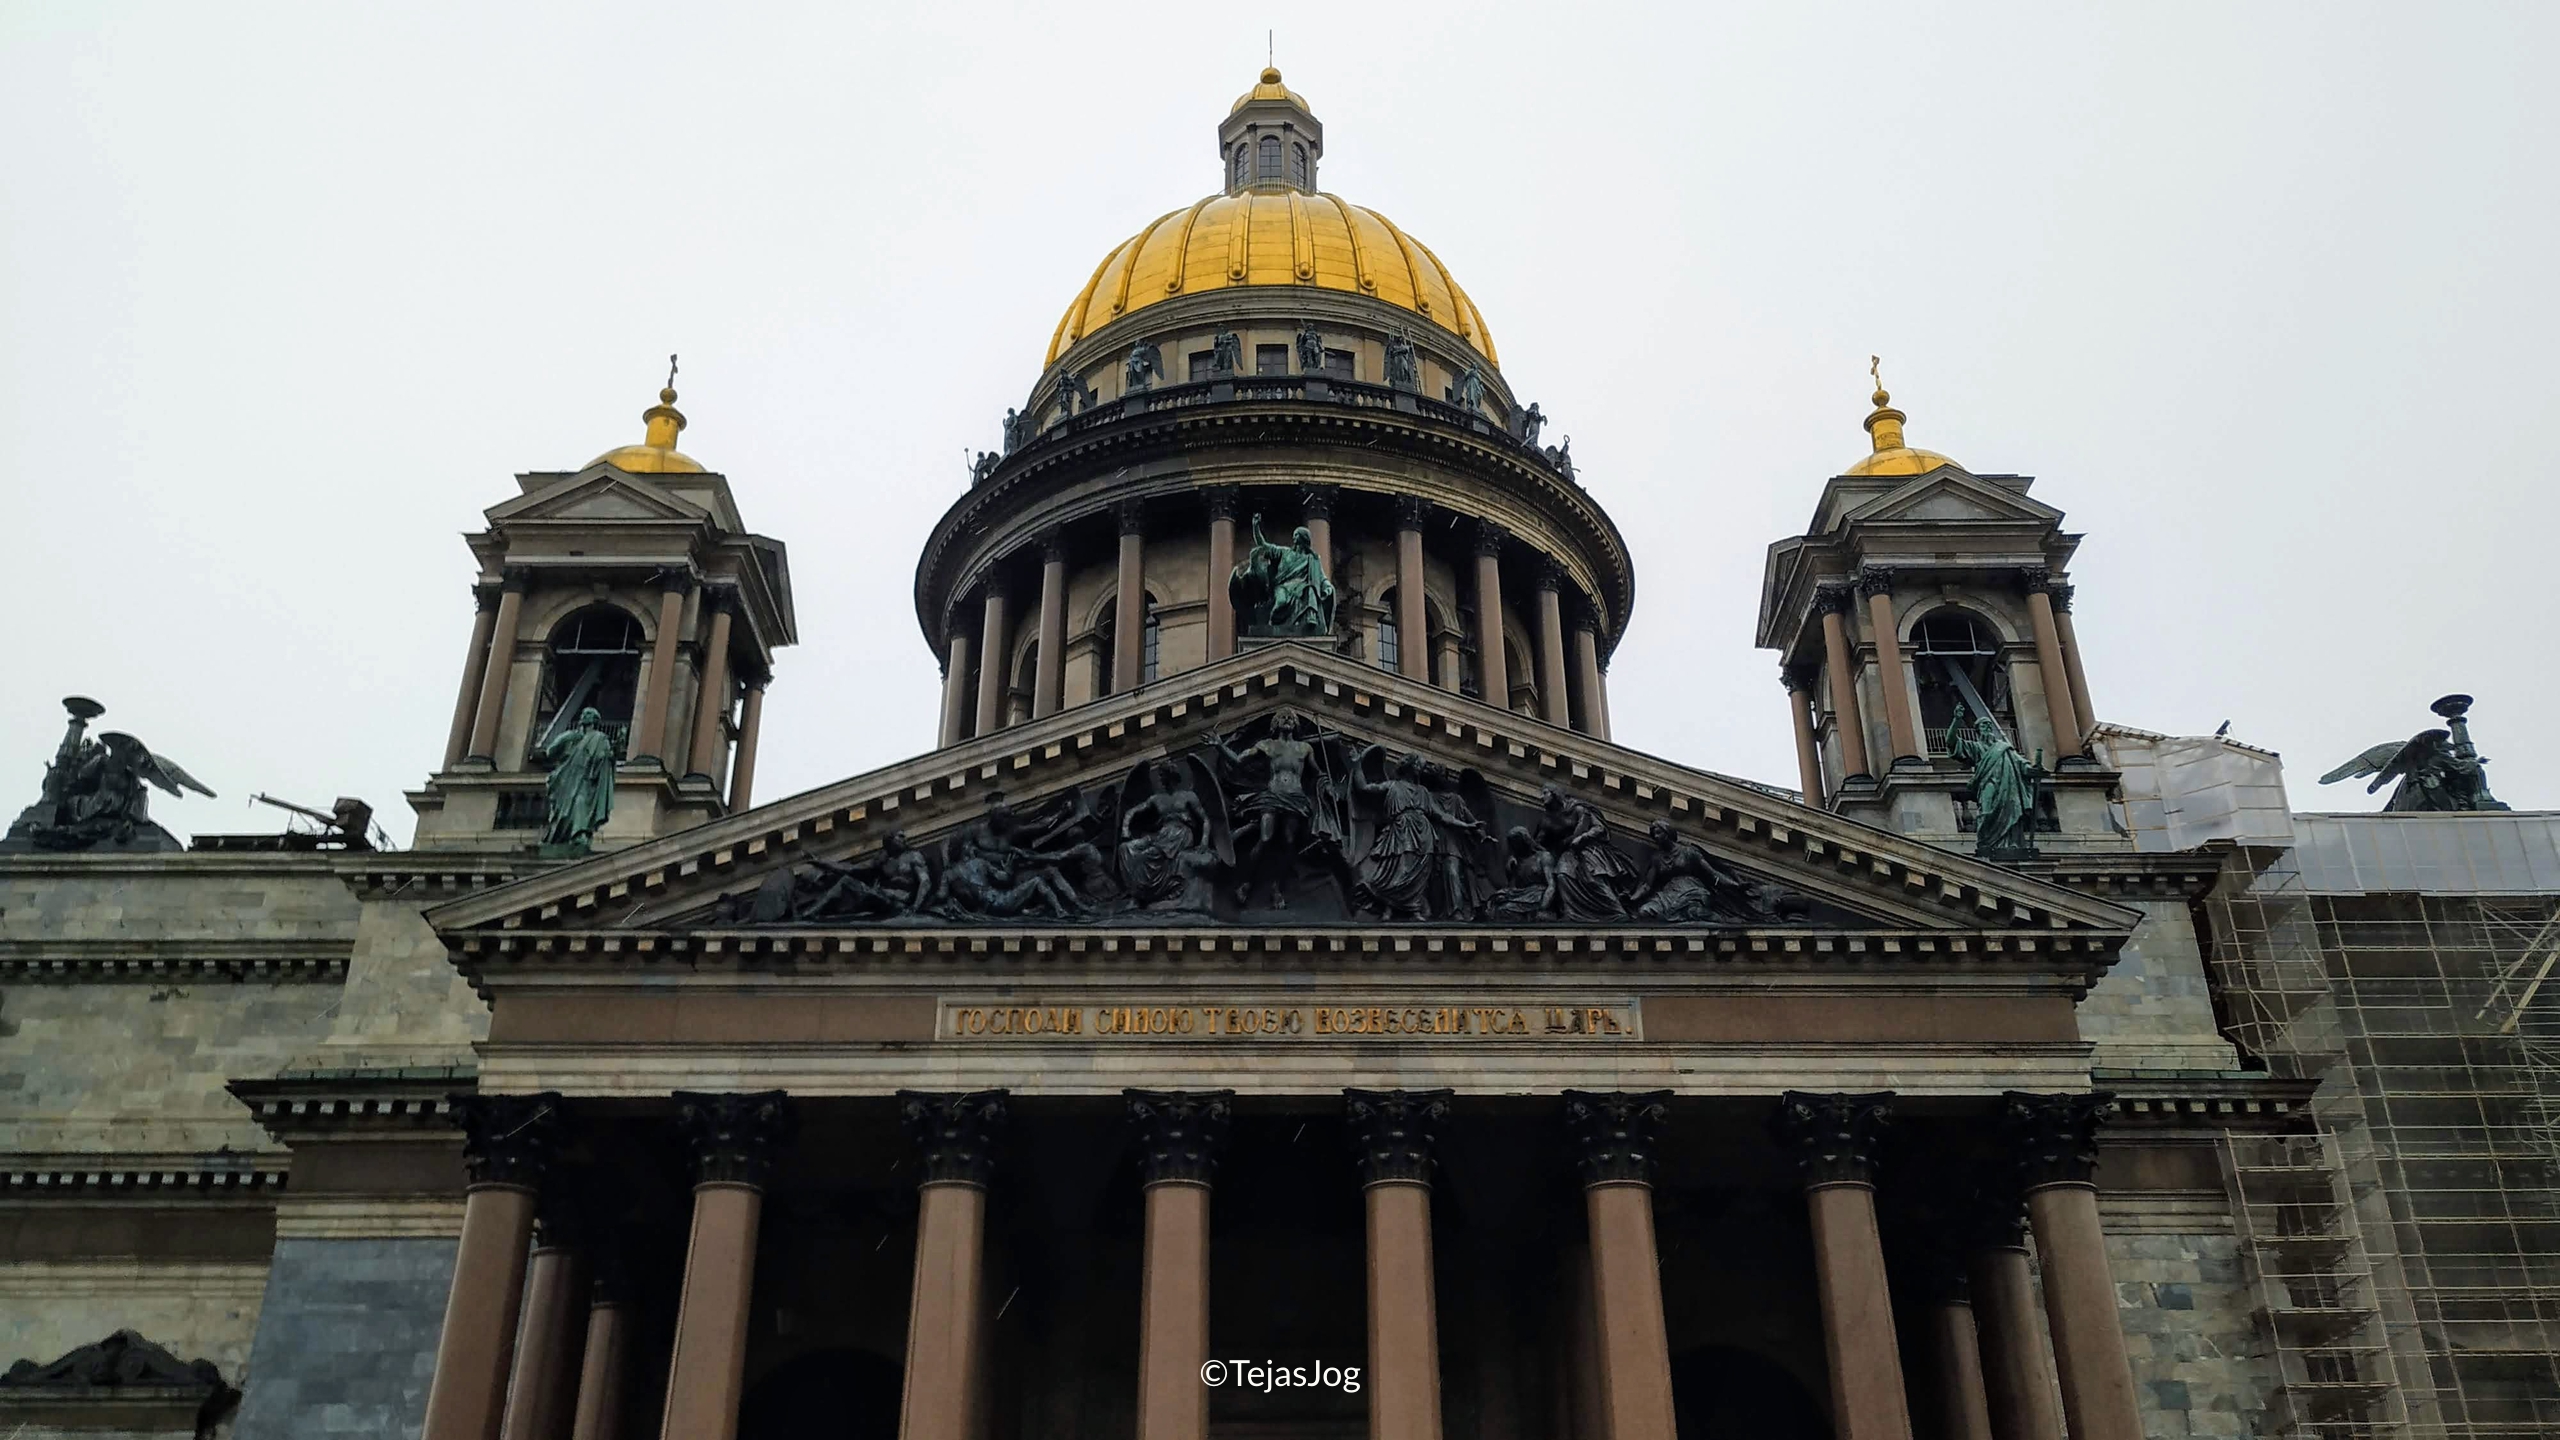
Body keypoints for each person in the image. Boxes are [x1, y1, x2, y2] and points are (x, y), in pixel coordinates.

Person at [1214, 711, 1346, 909]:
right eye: (1283, 717)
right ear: (1275, 724)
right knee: (1265, 838)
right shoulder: (1267, 745)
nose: (1287, 720)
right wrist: (1219, 746)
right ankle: (1246, 883)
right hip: (1273, 795)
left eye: (1291, 718)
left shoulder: (1305, 748)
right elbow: (1238, 761)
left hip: (1296, 798)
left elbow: (1317, 772)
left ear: (1296, 724)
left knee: (1289, 841)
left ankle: (1276, 887)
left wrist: (1327, 785)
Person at [1351, 748, 1489, 920]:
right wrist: (1357, 765)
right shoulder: (1393, 785)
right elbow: (1364, 788)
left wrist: (1467, 825)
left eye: (1420, 765)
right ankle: (1389, 907)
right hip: (1401, 831)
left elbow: (1443, 816)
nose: (1419, 768)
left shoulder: (1423, 792)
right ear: (1408, 765)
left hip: (1424, 835)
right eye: (1417, 764)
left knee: (1419, 874)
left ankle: (1414, 909)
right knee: (1398, 868)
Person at [1118, 762, 1215, 911]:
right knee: (1126, 848)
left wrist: (1204, 841)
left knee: (1149, 854)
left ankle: (1149, 894)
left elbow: (1205, 819)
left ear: (1170, 776)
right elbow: (1132, 812)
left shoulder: (1188, 796)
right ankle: (1136, 895)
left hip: (1179, 834)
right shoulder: (1156, 799)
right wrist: (1125, 829)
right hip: (1160, 835)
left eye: (1162, 775)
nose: (1160, 779)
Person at [1949, 702, 2042, 857]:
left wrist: (2033, 770)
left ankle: (2011, 844)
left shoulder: (2004, 747)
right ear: (1978, 730)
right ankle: (1987, 842)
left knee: (2012, 811)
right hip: (1988, 784)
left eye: (1989, 725)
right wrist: (1956, 721)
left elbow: (2021, 764)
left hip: (2008, 787)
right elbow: (1952, 743)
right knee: (1987, 812)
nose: (1987, 728)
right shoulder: (1975, 748)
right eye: (1984, 725)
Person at [1533, 785, 1636, 919]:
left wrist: (1582, 837)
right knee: (1562, 875)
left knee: (1593, 879)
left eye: (1545, 793)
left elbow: (1599, 828)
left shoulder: (1578, 808)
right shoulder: (1546, 820)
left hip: (1588, 849)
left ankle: (1616, 912)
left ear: (1555, 793)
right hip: (1568, 852)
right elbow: (1537, 843)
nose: (1542, 797)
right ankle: (1571, 914)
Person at [542, 707, 618, 853]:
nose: (584, 715)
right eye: (583, 713)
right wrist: (566, 739)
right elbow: (550, 751)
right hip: (566, 778)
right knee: (563, 812)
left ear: (595, 720)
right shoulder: (570, 736)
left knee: (580, 802)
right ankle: (561, 835)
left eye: (588, 714)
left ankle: (579, 834)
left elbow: (604, 757)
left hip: (585, 778)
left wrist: (609, 755)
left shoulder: (599, 738)